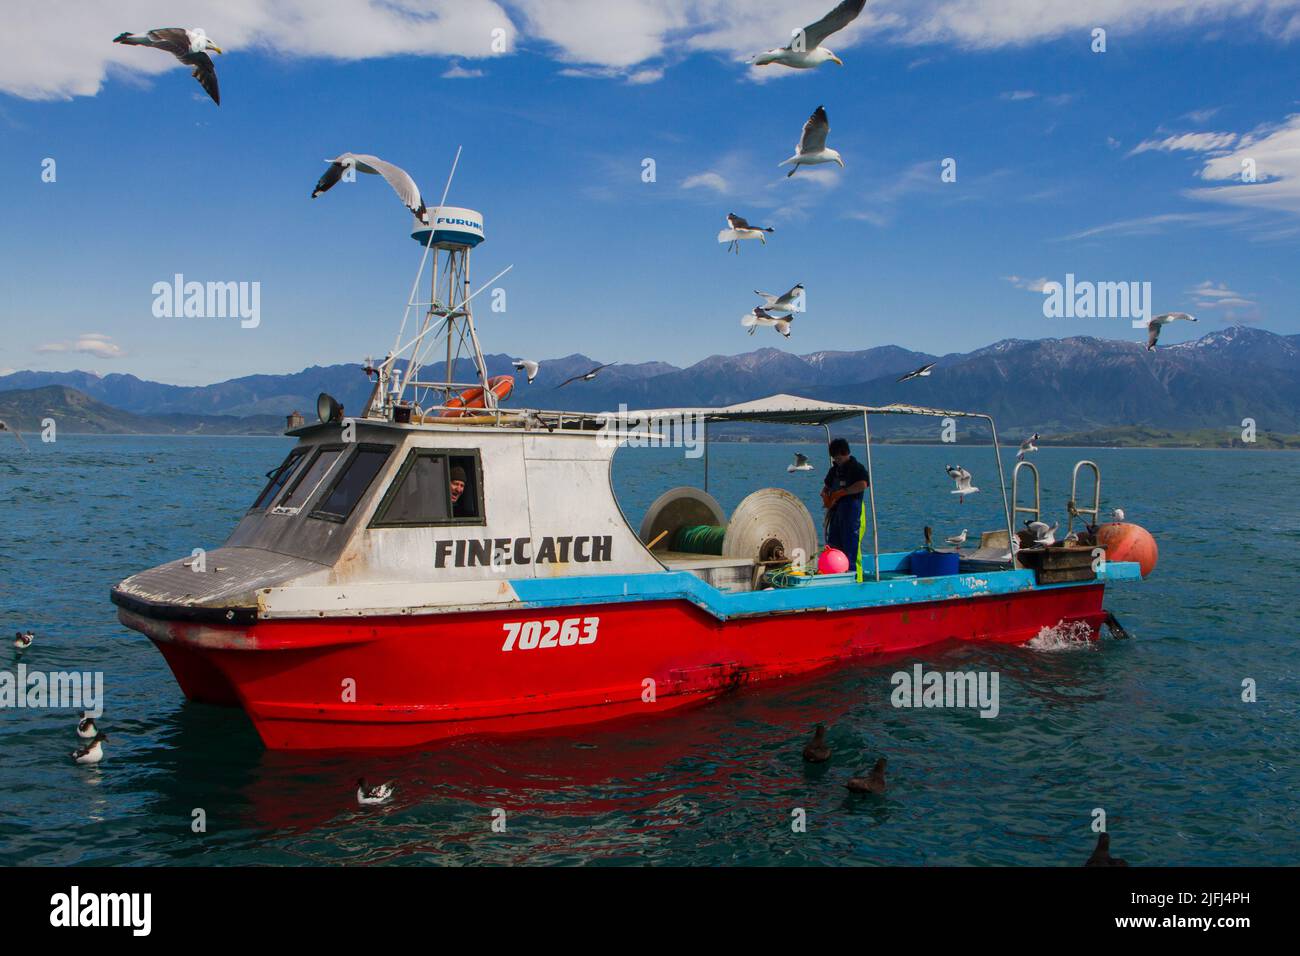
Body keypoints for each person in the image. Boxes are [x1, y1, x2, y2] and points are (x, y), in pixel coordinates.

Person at [821, 437, 869, 563]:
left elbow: (863, 484)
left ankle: (851, 573)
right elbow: (826, 486)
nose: (838, 461)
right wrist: (826, 495)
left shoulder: (857, 468)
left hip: (852, 511)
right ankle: (834, 570)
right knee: (834, 543)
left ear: (846, 453)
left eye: (840, 458)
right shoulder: (834, 470)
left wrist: (843, 492)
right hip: (836, 511)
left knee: (850, 545)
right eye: (835, 458)